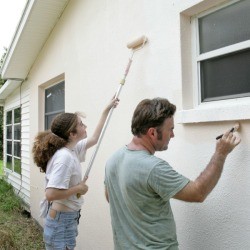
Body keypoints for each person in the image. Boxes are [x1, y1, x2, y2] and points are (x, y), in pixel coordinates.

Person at [104, 97, 241, 250]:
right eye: (170, 129)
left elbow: (110, 196)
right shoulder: (153, 168)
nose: (173, 135)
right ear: (153, 132)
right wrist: (220, 153)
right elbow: (198, 193)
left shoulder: (113, 160)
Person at [32, 97, 119, 250]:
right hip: (61, 223)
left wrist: (106, 109)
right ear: (72, 134)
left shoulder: (72, 149)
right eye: (81, 124)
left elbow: (94, 138)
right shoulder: (65, 157)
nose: (85, 126)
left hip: (65, 220)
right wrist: (79, 189)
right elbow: (50, 194)